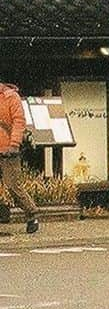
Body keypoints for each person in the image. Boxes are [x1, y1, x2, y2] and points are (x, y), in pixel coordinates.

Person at [0, 81, 39, 234]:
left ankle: (31, 214)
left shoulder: (11, 97)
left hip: (9, 150)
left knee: (13, 186)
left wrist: (14, 143)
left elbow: (18, 121)